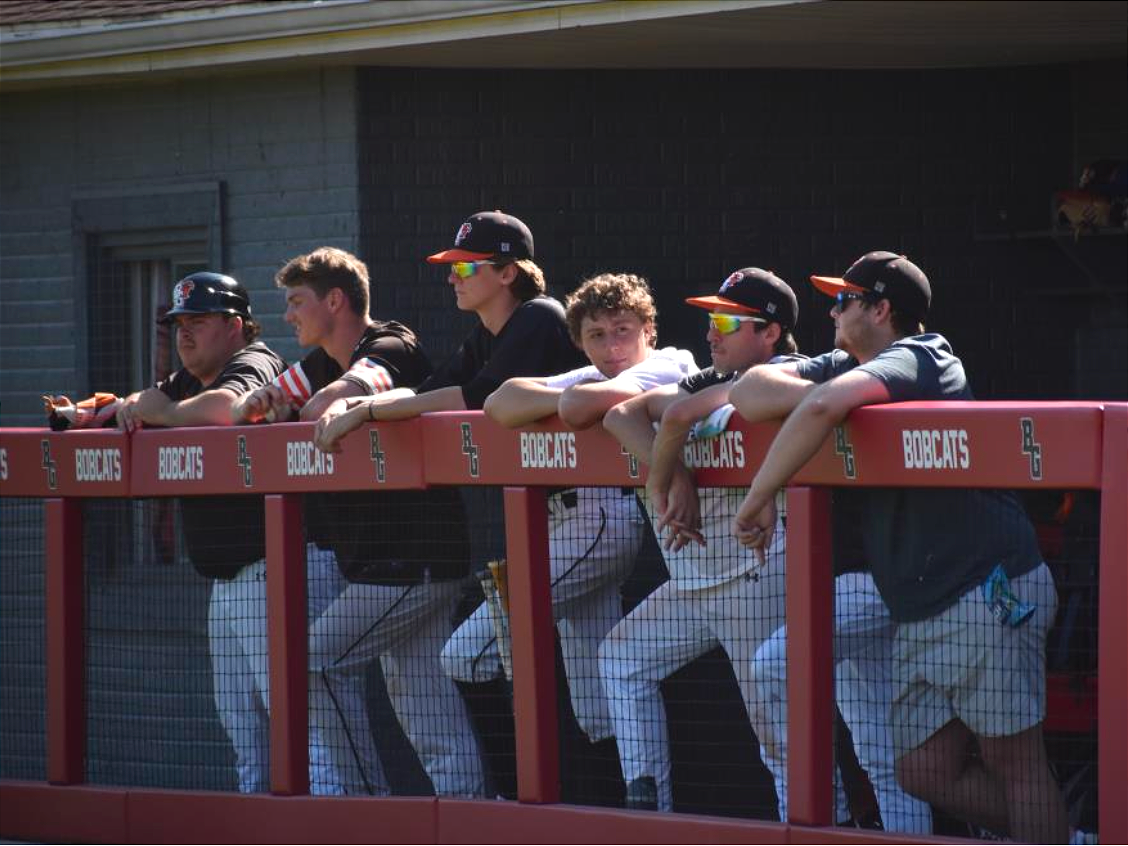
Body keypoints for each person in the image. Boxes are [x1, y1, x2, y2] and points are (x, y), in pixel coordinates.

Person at [730, 251, 1066, 843]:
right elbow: (751, 392)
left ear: (881, 309)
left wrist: (757, 499)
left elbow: (823, 405)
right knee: (922, 770)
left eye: (845, 301)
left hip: (986, 585)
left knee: (1014, 763)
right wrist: (820, 387)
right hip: (925, 601)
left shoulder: (922, 354)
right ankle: (1064, 838)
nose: (832, 311)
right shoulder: (849, 363)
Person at [233, 246, 482, 798]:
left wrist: (295, 412)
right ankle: (469, 817)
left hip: (411, 561)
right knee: (425, 706)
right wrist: (269, 407)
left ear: (336, 300)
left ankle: (363, 813)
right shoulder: (321, 359)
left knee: (315, 664)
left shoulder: (390, 342)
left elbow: (346, 394)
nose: (289, 315)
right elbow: (246, 409)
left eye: (298, 302)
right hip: (387, 563)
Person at [441, 272, 695, 746]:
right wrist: (571, 395)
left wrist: (572, 400)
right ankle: (611, 812)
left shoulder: (670, 363)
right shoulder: (598, 375)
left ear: (649, 331)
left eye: (623, 330)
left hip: (713, 547)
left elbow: (580, 408)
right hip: (679, 555)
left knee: (466, 653)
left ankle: (517, 790)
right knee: (601, 700)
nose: (612, 345)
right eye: (596, 335)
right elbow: (502, 401)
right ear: (579, 341)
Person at [116, 271, 344, 794]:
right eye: (179, 324)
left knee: (304, 727)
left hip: (283, 566)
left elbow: (228, 411)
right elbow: (141, 406)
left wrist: (164, 411)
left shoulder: (254, 361)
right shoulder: (188, 379)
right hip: (232, 580)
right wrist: (129, 405)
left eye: (199, 321)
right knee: (245, 730)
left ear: (236, 325)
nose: (185, 335)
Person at [598, 268, 795, 813]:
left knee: (780, 738)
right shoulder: (707, 377)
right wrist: (672, 478)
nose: (712, 333)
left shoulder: (789, 372)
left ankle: (825, 824)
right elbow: (621, 414)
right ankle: (648, 810)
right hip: (699, 577)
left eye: (727, 322)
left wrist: (671, 440)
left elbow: (678, 413)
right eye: (711, 320)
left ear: (770, 331)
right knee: (621, 658)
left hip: (758, 577)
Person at [311, 211, 583, 444]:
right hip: (560, 493)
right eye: (453, 267)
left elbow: (471, 398)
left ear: (507, 273)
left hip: (603, 492)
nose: (452, 278)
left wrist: (367, 411)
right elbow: (422, 394)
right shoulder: (486, 333)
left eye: (464, 267)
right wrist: (351, 403)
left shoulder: (539, 316)